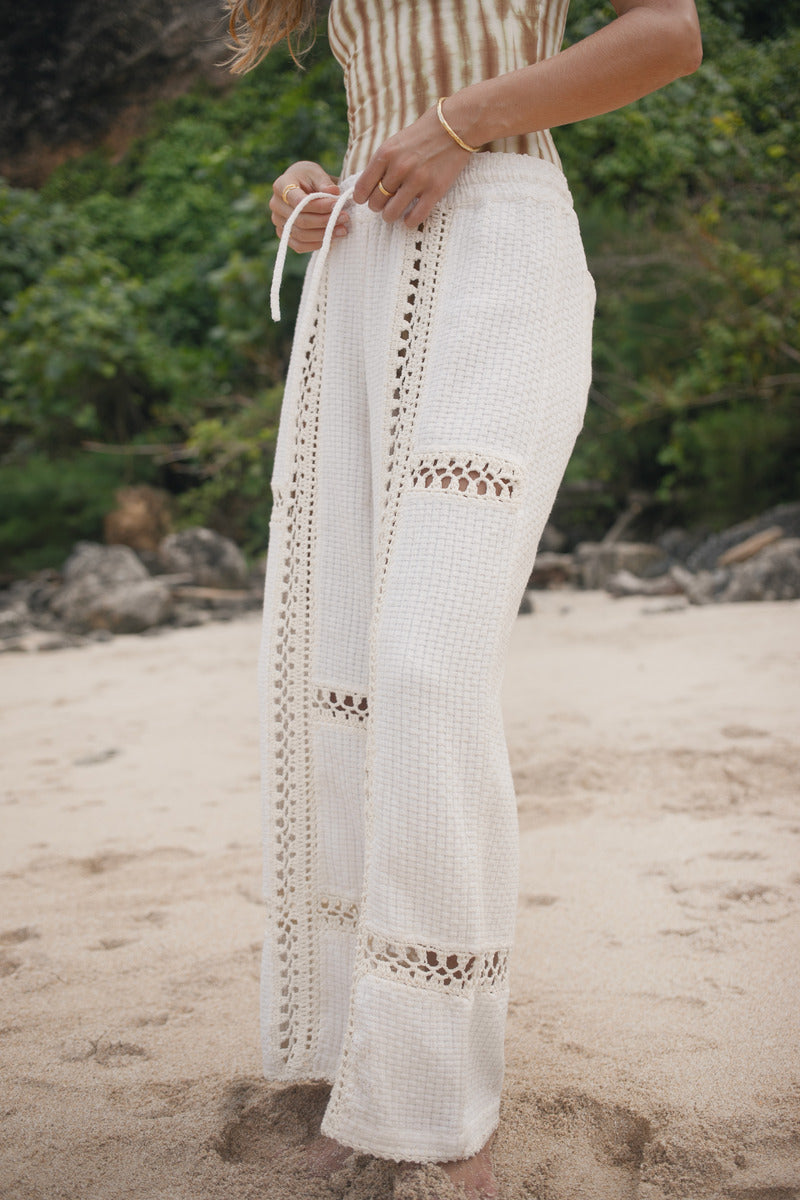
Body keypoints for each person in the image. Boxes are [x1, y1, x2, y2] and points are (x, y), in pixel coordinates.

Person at [230, 1, 702, 1196]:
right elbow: (383, 110)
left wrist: (455, 124)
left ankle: (438, 1099)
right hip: (362, 267)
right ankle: (367, 1064)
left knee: (425, 668)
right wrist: (312, 185)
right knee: (338, 663)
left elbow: (667, 35)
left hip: (501, 255)